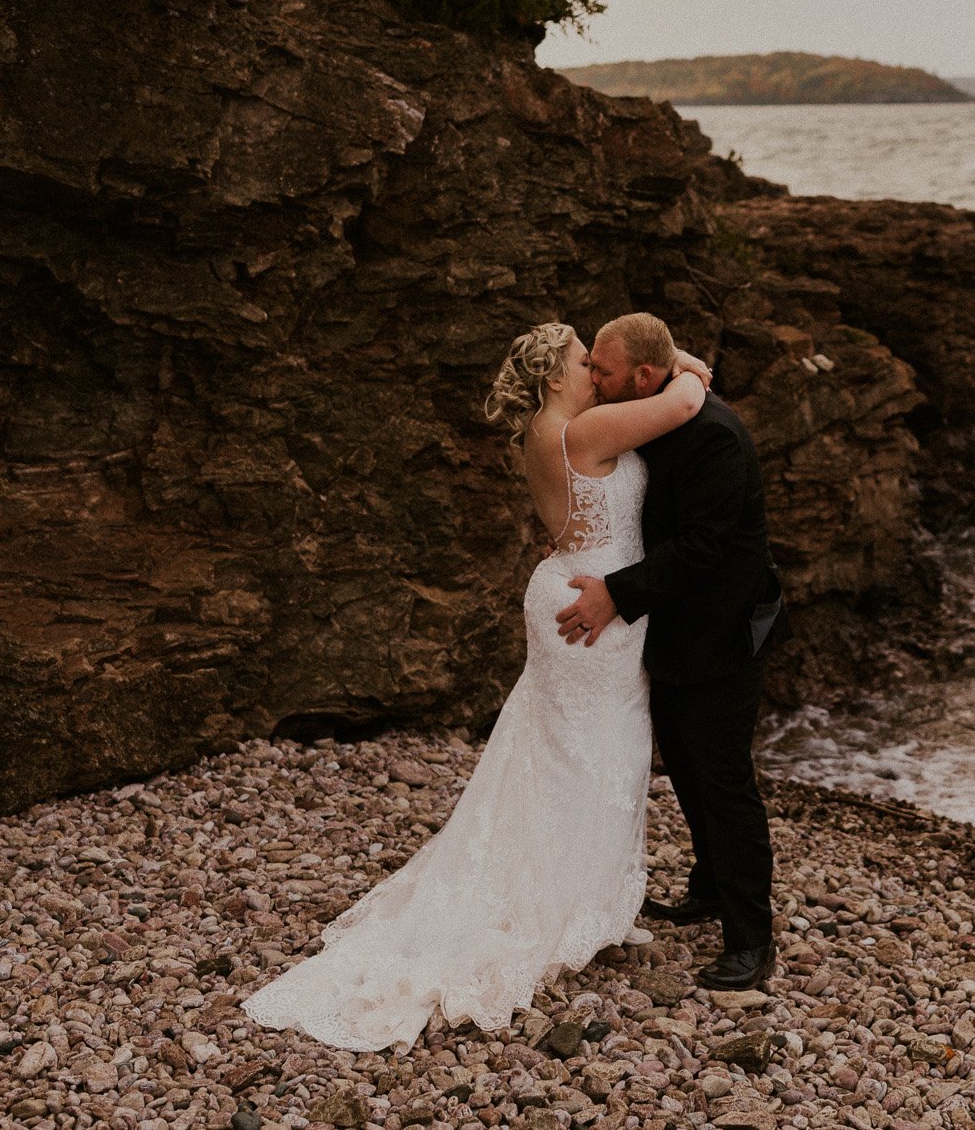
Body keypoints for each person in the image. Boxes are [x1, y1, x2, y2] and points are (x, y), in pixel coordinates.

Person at [240, 321, 711, 1052]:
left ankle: (584, 898)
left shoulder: (549, 429)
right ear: (556, 377)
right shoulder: (583, 432)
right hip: (594, 606)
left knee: (564, 753)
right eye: (586, 361)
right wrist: (680, 361)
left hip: (577, 593)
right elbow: (683, 403)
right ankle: (567, 904)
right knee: (594, 752)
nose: (596, 369)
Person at [555, 312, 784, 992]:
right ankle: (709, 886)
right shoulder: (656, 408)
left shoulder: (713, 436)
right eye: (590, 364)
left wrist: (614, 594)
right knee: (684, 762)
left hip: (727, 627)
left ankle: (752, 939)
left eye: (604, 368)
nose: (594, 377)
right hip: (678, 627)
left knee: (724, 779)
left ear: (644, 376)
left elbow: (702, 548)